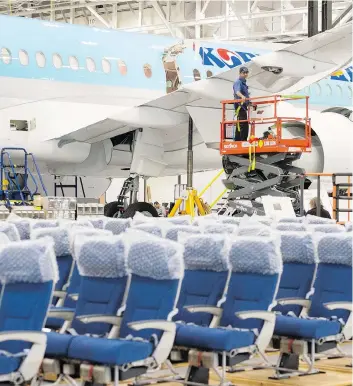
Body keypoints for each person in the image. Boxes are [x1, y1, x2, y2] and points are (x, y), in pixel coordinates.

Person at [233, 66, 250, 141]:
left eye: (246, 73)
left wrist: (250, 103)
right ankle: (243, 141)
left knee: (241, 124)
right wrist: (242, 96)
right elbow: (237, 92)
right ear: (240, 73)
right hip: (240, 107)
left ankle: (238, 140)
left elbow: (246, 96)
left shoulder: (244, 83)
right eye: (244, 73)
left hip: (243, 107)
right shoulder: (238, 82)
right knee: (243, 124)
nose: (245, 74)